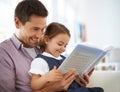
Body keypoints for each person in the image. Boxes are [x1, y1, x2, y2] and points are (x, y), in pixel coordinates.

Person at [0, 0, 100, 92]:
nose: (39, 35)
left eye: (43, 29)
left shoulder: (46, 47)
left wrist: (77, 81)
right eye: (35, 29)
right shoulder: (4, 53)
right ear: (17, 23)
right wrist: (50, 89)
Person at [29, 22, 104, 92]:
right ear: (47, 40)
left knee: (99, 90)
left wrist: (81, 77)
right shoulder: (40, 61)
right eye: (60, 44)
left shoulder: (65, 58)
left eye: (65, 45)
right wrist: (46, 78)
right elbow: (34, 85)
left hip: (76, 89)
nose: (63, 48)